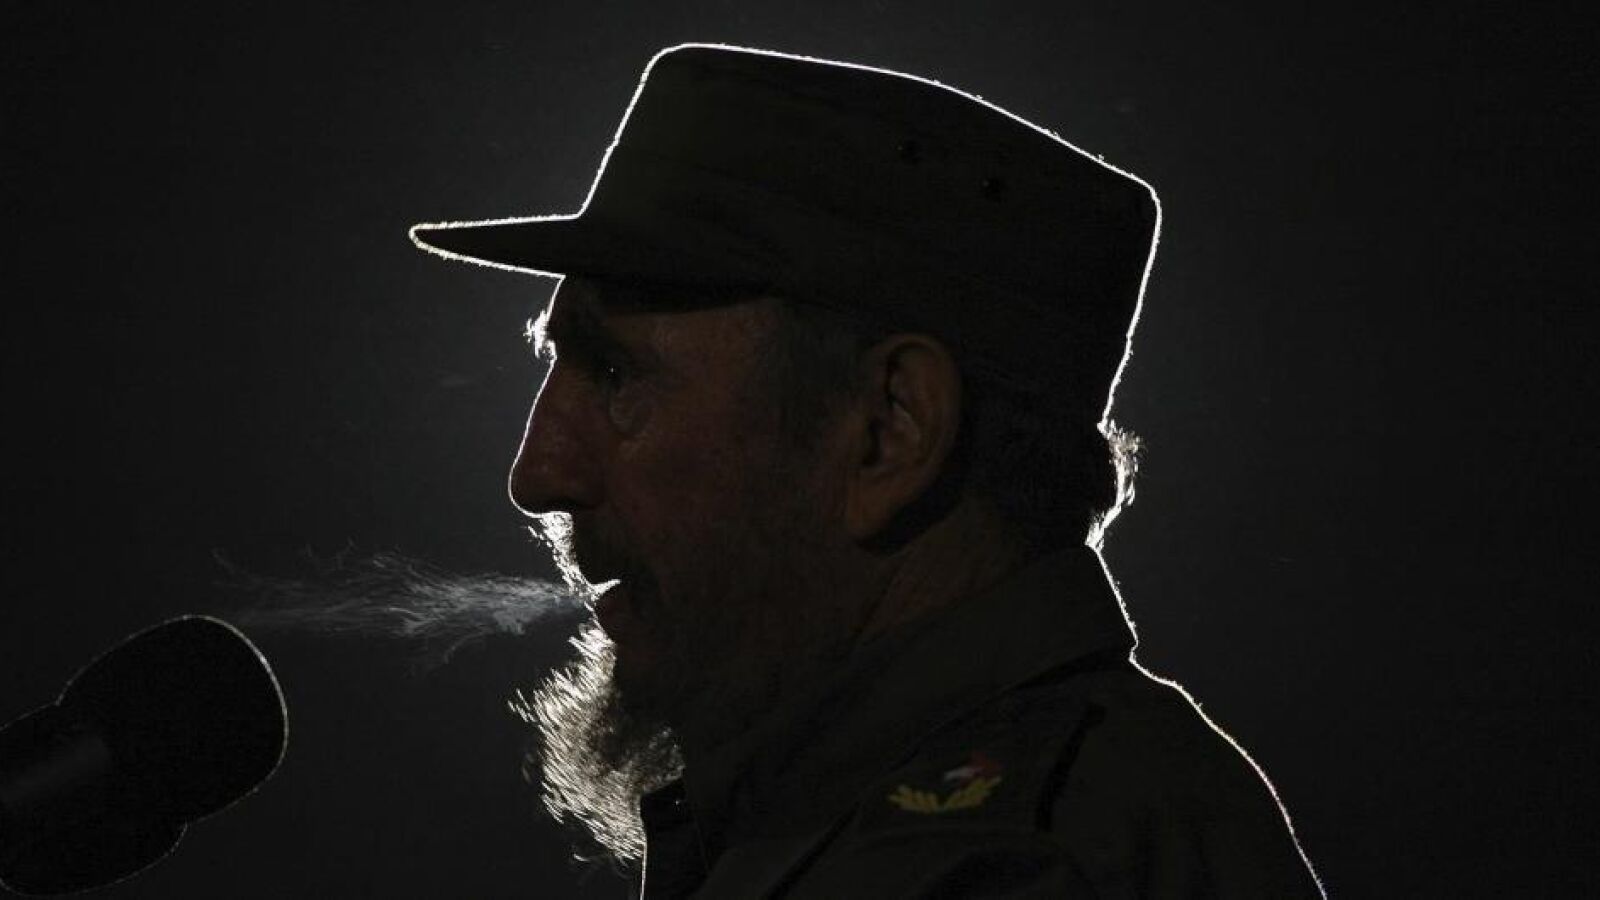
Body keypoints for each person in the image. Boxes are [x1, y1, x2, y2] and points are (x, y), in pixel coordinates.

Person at [412, 43, 1323, 899]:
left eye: (616, 376)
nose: (537, 474)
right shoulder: (920, 816)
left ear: (889, 430)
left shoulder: (1000, 867)